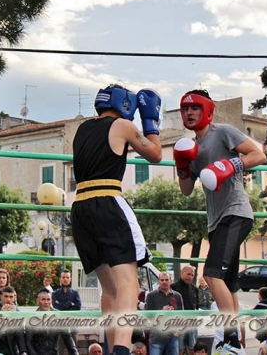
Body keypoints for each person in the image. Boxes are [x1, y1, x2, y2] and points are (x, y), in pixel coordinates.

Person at [72, 84, 162, 355]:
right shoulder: (122, 125)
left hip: (80, 208)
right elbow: (156, 154)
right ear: (124, 104)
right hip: (108, 201)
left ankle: (113, 348)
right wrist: (150, 122)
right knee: (128, 283)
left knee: (109, 288)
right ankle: (122, 349)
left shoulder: (82, 129)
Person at [174, 89, 267, 323]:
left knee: (212, 275)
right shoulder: (191, 149)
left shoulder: (223, 132)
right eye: (185, 109)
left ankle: (230, 336)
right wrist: (182, 165)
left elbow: (259, 156)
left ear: (207, 110)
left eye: (195, 107)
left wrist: (230, 166)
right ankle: (237, 345)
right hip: (216, 221)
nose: (189, 112)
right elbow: (185, 191)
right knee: (229, 284)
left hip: (236, 213)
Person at [26, 289, 78, 355]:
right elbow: (28, 341)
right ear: (37, 301)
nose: (46, 302)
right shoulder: (31, 318)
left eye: (48, 299)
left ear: (51, 301)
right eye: (43, 299)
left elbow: (67, 337)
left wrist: (75, 352)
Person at [145, 272, 183, 355]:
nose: (164, 282)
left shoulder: (177, 296)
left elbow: (182, 315)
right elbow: (147, 315)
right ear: (158, 281)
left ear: (171, 281)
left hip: (173, 336)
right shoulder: (151, 296)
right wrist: (161, 312)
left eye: (166, 280)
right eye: (162, 280)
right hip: (156, 337)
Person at [0, 286, 27, 355]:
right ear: (1, 297)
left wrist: (23, 351)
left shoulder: (17, 312)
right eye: (6, 296)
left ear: (14, 298)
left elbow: (20, 334)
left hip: (10, 349)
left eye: (11, 297)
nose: (8, 299)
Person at [171, 266, 198, 355]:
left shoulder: (195, 289)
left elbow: (196, 306)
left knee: (192, 347)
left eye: (192, 275)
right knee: (179, 348)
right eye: (188, 274)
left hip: (192, 321)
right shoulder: (173, 287)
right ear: (182, 273)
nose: (190, 277)